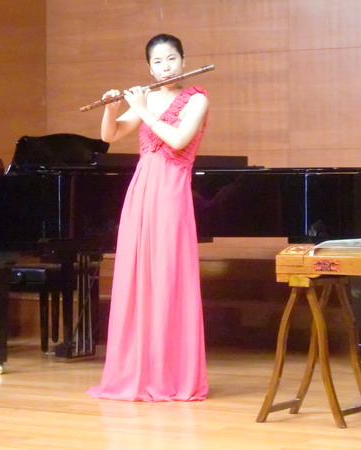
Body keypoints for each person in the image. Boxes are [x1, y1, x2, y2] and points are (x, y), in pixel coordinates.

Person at [87, 34, 210, 402]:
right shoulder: (148, 98)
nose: (165, 67)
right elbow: (110, 135)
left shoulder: (197, 99)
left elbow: (178, 140)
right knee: (138, 277)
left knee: (168, 276)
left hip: (171, 193)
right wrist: (111, 109)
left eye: (171, 59)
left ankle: (171, 376)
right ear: (149, 68)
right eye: (157, 62)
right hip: (141, 193)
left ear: (184, 61)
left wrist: (142, 109)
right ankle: (136, 374)